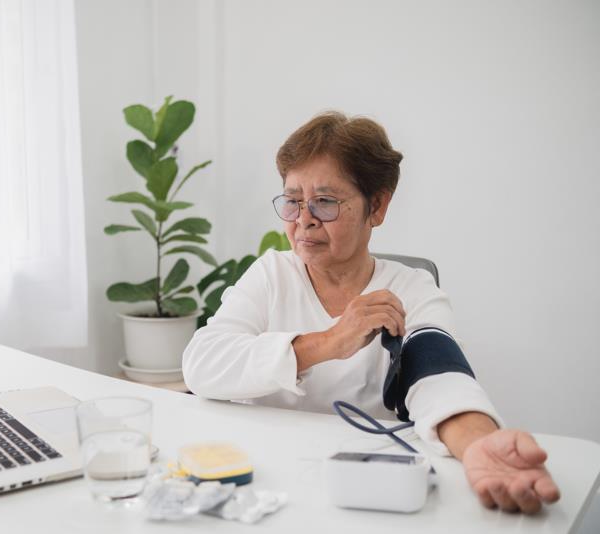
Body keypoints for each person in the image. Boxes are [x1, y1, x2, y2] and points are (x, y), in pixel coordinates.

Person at [182, 111, 560, 514]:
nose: (304, 220)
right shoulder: (271, 274)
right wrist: (328, 342)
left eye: (325, 202)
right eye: (293, 202)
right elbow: (202, 364)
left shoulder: (409, 289)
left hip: (366, 489)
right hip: (269, 483)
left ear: (376, 207)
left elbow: (440, 377)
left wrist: (479, 444)